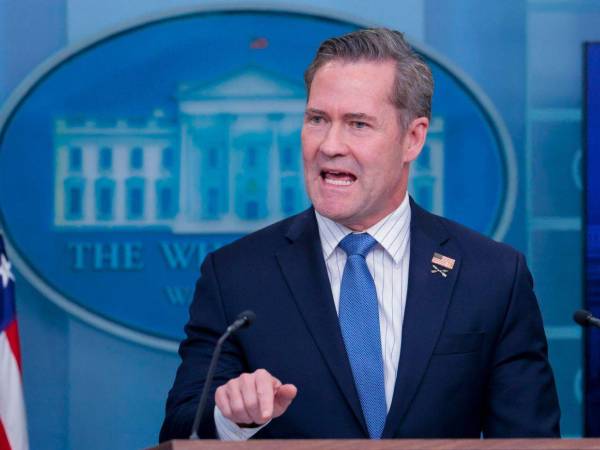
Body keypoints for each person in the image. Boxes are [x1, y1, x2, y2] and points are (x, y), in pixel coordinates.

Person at [159, 28, 560, 441]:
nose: (330, 145)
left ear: (413, 138)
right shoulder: (234, 274)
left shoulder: (493, 276)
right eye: (317, 119)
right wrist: (233, 419)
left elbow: (530, 441)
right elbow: (181, 428)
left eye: (358, 124)